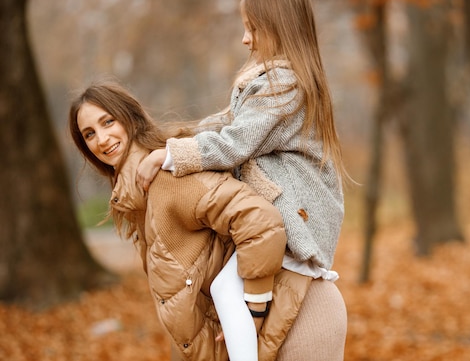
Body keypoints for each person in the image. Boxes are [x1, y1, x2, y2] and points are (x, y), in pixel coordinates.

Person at [136, 0, 349, 360]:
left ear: (277, 29)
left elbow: (235, 142)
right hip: (283, 216)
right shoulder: (271, 83)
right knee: (225, 288)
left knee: (224, 288)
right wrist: (168, 139)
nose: (245, 40)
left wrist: (171, 156)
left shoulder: (285, 85)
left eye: (252, 28)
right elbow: (224, 122)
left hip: (295, 218)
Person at [68, 80, 347, 361]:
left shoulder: (166, 180)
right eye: (89, 134)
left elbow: (260, 221)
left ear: (130, 119)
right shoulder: (139, 194)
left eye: (108, 122)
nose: (101, 140)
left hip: (301, 316)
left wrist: (255, 308)